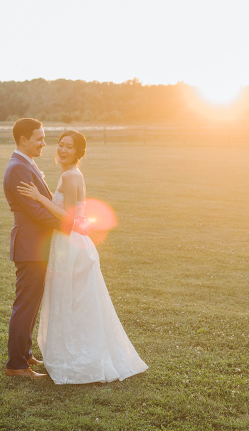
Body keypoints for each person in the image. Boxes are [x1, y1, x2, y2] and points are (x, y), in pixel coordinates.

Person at [17, 129, 148, 384]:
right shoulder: (72, 174)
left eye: (69, 147)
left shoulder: (69, 175)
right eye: (60, 144)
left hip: (70, 245)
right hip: (74, 244)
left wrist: (38, 198)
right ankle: (72, 353)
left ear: (78, 152)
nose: (62, 150)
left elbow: (69, 218)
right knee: (76, 302)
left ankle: (76, 358)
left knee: (70, 301)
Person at [2, 118, 67, 379]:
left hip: (35, 245)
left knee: (31, 302)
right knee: (25, 304)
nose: (44, 143)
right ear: (23, 140)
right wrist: (68, 225)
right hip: (30, 245)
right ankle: (16, 366)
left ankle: (25, 353)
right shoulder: (18, 168)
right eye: (39, 138)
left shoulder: (25, 163)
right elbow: (36, 211)